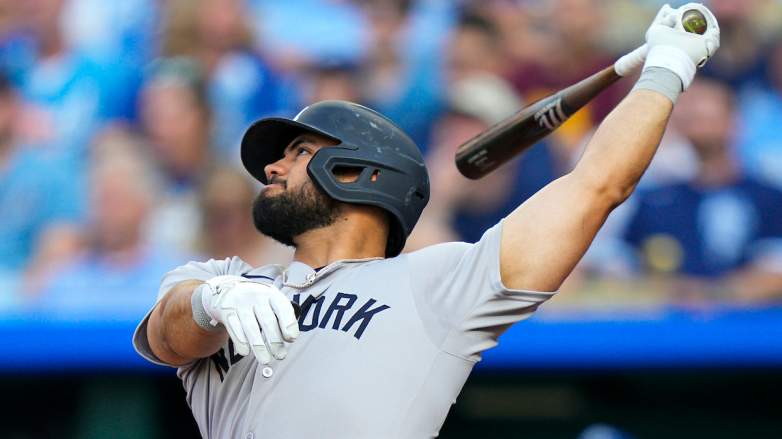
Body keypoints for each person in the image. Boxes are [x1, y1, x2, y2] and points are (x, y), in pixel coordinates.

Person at [133, 4, 720, 437]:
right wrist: (211, 301)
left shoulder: (435, 286)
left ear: (359, 172)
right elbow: (167, 336)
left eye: (299, 152)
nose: (271, 167)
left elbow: (595, 187)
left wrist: (665, 69)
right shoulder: (223, 279)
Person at [622, 79, 782, 305]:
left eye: (707, 114)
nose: (698, 120)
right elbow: (621, 267)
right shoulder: (655, 201)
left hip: (754, 322)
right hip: (670, 321)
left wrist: (712, 293)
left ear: (735, 122)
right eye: (691, 115)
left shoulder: (770, 198)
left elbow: (775, 274)